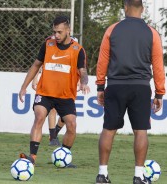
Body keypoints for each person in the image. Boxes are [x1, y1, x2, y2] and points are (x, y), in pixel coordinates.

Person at [95, 0, 165, 184]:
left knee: (108, 129)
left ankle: (102, 174)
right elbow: (158, 66)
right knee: (140, 131)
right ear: (142, 9)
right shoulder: (152, 33)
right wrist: (159, 93)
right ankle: (138, 176)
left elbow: (103, 60)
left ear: (125, 8)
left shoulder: (112, 30)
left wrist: (100, 86)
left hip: (116, 85)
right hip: (140, 87)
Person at [19, 16, 90, 167]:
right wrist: (24, 87)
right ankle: (32, 157)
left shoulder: (78, 50)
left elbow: (83, 71)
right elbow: (36, 65)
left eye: (59, 32)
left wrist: (84, 83)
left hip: (65, 96)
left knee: (71, 125)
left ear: (68, 30)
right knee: (39, 117)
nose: (56, 35)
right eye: (54, 32)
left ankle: (63, 157)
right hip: (45, 92)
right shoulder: (48, 44)